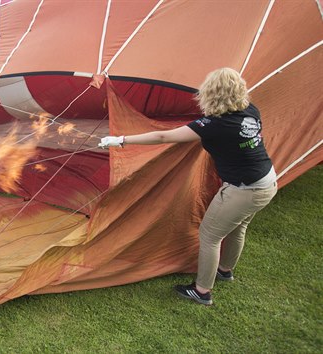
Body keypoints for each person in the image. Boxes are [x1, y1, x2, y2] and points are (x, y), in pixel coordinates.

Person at [99, 68, 277, 305]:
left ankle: (202, 291)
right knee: (237, 228)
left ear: (211, 94)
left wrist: (121, 140)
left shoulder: (215, 125)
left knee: (210, 236)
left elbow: (163, 137)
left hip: (244, 190)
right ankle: (225, 270)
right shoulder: (249, 110)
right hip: (266, 181)